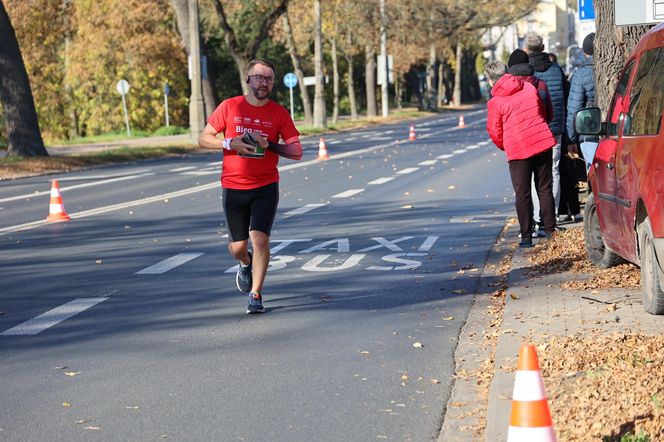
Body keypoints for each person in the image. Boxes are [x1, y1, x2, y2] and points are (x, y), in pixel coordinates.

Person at [198, 59, 303, 314]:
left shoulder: (278, 113)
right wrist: (228, 144)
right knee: (237, 247)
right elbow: (203, 138)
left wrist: (271, 145)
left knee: (260, 239)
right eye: (258, 77)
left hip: (265, 185)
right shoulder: (230, 107)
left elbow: (297, 150)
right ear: (248, 79)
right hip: (234, 186)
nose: (263, 83)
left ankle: (255, 294)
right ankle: (245, 263)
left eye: (268, 79)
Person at [484, 60, 557, 247]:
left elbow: (495, 131)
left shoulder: (495, 102)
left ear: (491, 81)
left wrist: (506, 145)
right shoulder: (528, 88)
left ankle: (526, 236)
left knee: (522, 193)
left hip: (518, 149)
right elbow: (542, 111)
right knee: (545, 188)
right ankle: (550, 230)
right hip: (542, 142)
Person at [524, 33, 566, 233]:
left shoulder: (526, 73)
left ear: (527, 50)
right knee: (553, 171)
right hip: (555, 126)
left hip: (534, 128)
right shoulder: (556, 69)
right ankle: (552, 214)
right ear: (542, 48)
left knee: (534, 175)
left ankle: (536, 216)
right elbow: (562, 98)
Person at [565, 33, 597, 220]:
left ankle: (596, 217)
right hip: (619, 130)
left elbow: (574, 108)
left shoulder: (581, 73)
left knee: (593, 173)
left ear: (585, 54)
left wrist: (571, 138)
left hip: (589, 132)